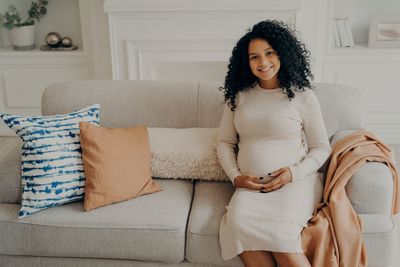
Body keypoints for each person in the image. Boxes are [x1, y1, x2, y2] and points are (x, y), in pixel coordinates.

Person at [217, 20, 331, 267]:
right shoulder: (238, 96)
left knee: (280, 234)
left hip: (294, 184)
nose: (263, 62)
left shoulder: (302, 96)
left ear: (283, 54)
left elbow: (321, 147)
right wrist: (235, 177)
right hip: (252, 189)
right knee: (236, 225)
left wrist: (293, 173)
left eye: (269, 53)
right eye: (254, 57)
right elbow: (224, 143)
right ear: (246, 62)